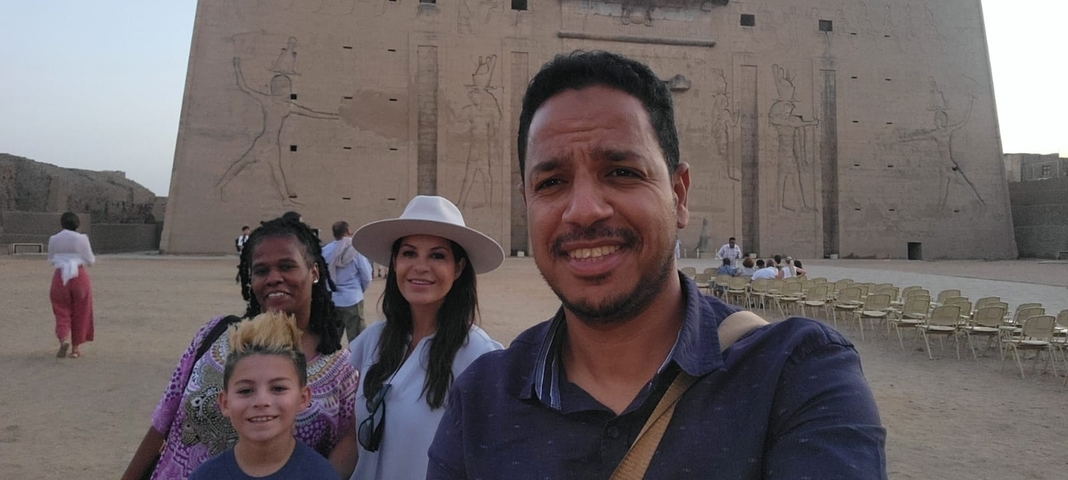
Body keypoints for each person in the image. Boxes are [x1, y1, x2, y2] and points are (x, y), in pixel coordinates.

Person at [427, 51, 885, 479]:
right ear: (527, 202)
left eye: (622, 172)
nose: (584, 210)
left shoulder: (796, 374)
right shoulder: (482, 398)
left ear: (678, 194)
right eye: (552, 181)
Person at [122, 217, 359, 480]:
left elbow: (338, 460)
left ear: (314, 272)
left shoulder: (343, 371)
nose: (273, 278)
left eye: (286, 266)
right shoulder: (214, 336)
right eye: (260, 270)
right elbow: (162, 422)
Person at [347, 195, 505, 479]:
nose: (420, 266)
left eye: (437, 255)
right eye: (409, 253)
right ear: (394, 262)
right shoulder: (374, 340)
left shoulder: (477, 355)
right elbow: (353, 440)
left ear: (458, 269)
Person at [188, 311, 339, 480]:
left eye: (278, 388)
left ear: (303, 398)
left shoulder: (320, 475)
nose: (261, 402)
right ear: (225, 403)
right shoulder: (205, 476)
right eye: (245, 391)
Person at [47, 212, 95, 359]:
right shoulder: (82, 239)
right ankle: (75, 349)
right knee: (81, 311)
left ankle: (63, 339)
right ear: (77, 224)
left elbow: (51, 259)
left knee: (61, 310)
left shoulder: (54, 239)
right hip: (78, 276)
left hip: (60, 276)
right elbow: (90, 260)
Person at [322, 221, 373, 342]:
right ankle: (354, 361)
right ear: (347, 232)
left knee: (332, 339)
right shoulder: (355, 250)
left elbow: (322, 274)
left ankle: (332, 361)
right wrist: (360, 290)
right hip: (352, 300)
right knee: (357, 340)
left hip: (332, 299)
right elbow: (366, 276)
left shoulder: (325, 251)